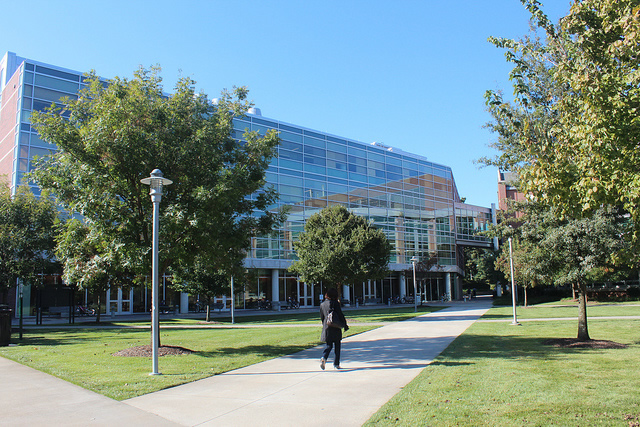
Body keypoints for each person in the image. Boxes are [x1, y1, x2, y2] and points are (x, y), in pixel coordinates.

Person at [319, 288, 349, 370]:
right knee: (337, 346)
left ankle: (324, 357)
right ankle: (336, 364)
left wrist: (325, 325)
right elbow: (340, 315)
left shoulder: (322, 305)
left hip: (327, 327)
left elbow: (322, 317)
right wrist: (344, 324)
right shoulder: (335, 303)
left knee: (329, 345)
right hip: (335, 327)